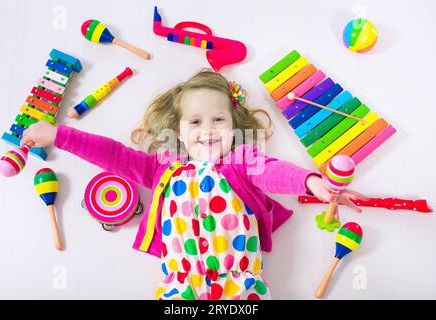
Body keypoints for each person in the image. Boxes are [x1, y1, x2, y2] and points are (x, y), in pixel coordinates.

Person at [21, 70, 367, 300]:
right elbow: (114, 155)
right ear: (180, 129)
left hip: (240, 287)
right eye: (196, 121)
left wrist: (311, 181)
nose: (208, 129)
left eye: (219, 119)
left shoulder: (240, 161)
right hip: (179, 289)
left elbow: (273, 171)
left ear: (234, 125)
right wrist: (58, 135)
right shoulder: (163, 170)